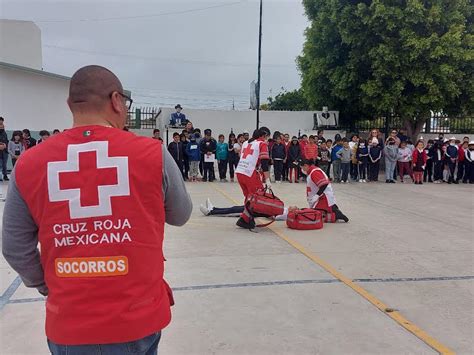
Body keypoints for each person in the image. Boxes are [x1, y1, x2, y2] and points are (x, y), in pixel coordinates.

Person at [2, 65, 192, 354]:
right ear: (116, 101)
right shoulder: (152, 154)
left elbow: (14, 246)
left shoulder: (29, 163)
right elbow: (181, 214)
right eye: (125, 105)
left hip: (68, 323)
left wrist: (48, 286)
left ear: (70, 105)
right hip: (137, 320)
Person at [235, 127, 272, 229]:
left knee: (248, 197)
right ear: (264, 135)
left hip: (240, 172)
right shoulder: (262, 144)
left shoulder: (246, 143)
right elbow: (265, 163)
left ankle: (247, 219)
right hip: (250, 173)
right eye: (267, 137)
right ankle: (245, 219)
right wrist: (267, 179)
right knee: (257, 197)